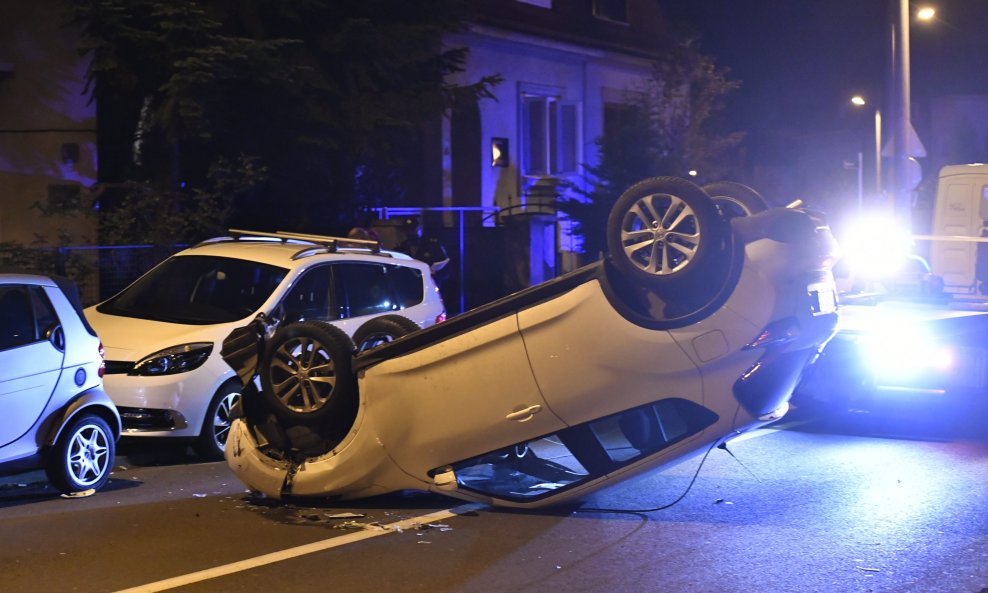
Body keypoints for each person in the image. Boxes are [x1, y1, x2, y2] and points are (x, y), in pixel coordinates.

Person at [397, 216, 450, 283]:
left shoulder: (433, 245)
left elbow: (446, 271)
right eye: (408, 230)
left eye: (413, 229)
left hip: (429, 285)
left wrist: (433, 276)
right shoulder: (402, 248)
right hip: (409, 286)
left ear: (420, 229)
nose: (410, 233)